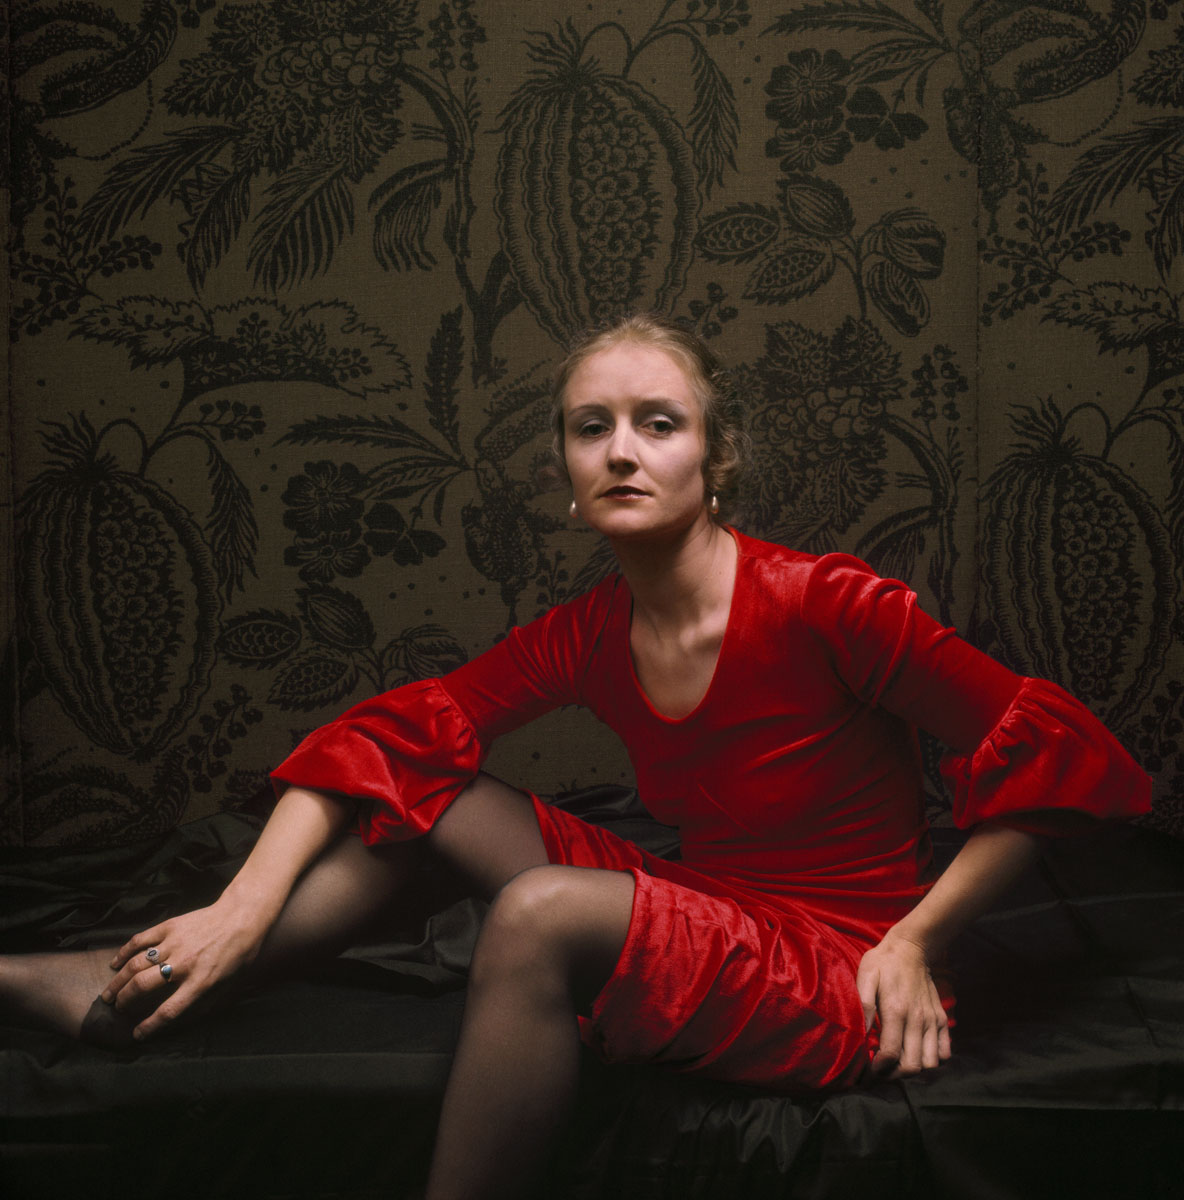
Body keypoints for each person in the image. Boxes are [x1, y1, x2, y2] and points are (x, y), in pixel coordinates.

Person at [2, 313, 1151, 1199]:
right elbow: (383, 738)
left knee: (545, 908)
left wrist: (915, 940)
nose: (620, 450)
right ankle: (162, 979)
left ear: (717, 454)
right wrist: (239, 910)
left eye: (658, 422)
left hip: (840, 964)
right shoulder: (590, 631)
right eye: (588, 425)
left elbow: (1069, 757)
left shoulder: (826, 606)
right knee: (438, 782)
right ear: (562, 463)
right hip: (713, 904)